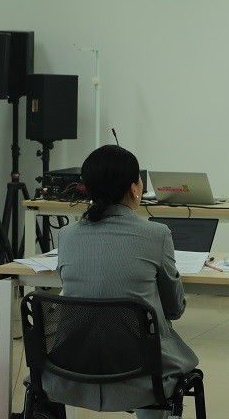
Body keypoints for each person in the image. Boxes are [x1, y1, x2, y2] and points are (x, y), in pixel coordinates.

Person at [44, 145, 198, 419]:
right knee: (151, 342)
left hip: (72, 369)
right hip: (143, 374)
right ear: (134, 189)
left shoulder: (66, 235)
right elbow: (174, 308)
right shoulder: (157, 235)